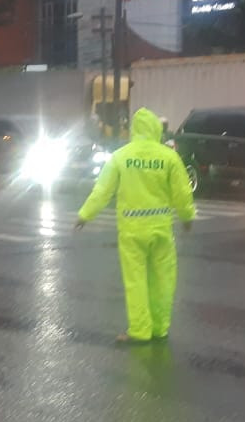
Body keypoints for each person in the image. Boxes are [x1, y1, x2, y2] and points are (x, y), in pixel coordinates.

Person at [74, 107, 196, 344]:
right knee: (163, 279)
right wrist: (187, 218)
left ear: (134, 130)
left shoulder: (120, 157)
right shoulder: (169, 157)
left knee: (136, 281)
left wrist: (84, 216)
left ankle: (139, 330)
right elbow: (182, 193)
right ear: (155, 129)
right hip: (161, 229)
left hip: (132, 232)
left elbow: (102, 192)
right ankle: (160, 327)